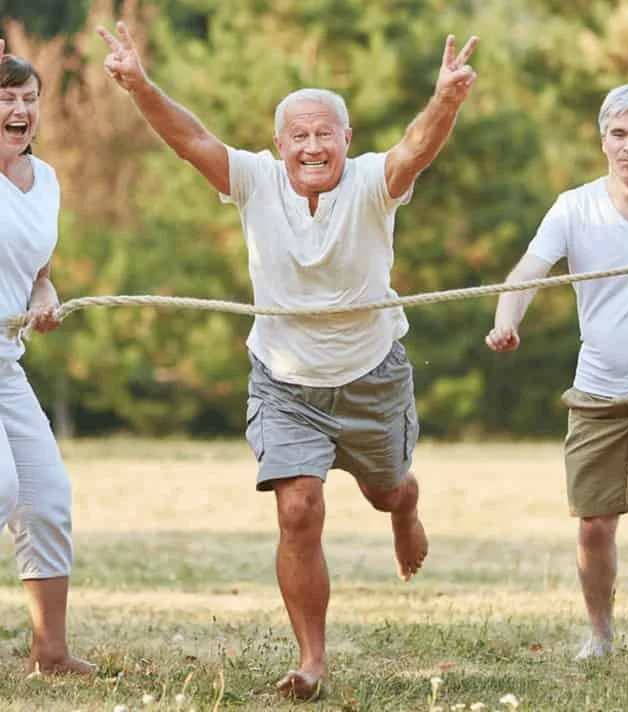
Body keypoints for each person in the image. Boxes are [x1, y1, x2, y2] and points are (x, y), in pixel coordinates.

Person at [97, 21, 477, 698]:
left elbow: (416, 149)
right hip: (285, 382)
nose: (310, 145)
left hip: (372, 376)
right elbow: (190, 140)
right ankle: (312, 662)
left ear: (346, 139)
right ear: (279, 145)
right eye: (297, 135)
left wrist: (444, 99)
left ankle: (404, 503)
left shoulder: (371, 182)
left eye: (323, 132)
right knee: (298, 508)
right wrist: (137, 83)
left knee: (386, 488)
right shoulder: (254, 180)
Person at [486, 83, 628, 660]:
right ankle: (601, 634)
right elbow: (529, 271)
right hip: (599, 383)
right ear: (603, 139)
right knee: (595, 523)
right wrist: (506, 321)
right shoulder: (574, 206)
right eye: (619, 134)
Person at [0, 40, 95, 674]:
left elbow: (38, 273)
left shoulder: (48, 182)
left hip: (6, 359)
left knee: (47, 496)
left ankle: (50, 653)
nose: (20, 110)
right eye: (6, 98)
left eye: (30, 99)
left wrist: (46, 298)